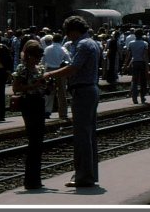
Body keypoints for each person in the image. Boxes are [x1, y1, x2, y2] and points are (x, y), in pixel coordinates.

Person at [44, 16, 100, 187]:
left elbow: (74, 68)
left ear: (74, 30)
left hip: (83, 90)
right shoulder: (93, 43)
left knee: (82, 135)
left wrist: (50, 74)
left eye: (68, 33)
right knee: (89, 135)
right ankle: (89, 174)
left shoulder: (83, 45)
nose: (68, 37)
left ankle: (83, 177)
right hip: (90, 89)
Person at [12, 40, 48, 190]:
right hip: (28, 103)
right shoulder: (22, 69)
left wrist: (46, 86)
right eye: (36, 56)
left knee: (39, 140)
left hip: (39, 102)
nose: (39, 59)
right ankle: (30, 180)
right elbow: (16, 88)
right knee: (34, 140)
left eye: (40, 56)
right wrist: (34, 85)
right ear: (28, 55)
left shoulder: (39, 68)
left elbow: (42, 87)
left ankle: (36, 178)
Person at [43, 33, 71, 119]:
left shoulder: (47, 49)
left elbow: (43, 61)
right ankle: (63, 113)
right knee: (62, 93)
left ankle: (47, 111)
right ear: (61, 40)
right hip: (60, 71)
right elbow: (69, 61)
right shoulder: (63, 49)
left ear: (52, 40)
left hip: (49, 71)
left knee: (49, 92)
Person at [123, 28, 150, 105]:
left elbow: (128, 56)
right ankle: (142, 97)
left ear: (135, 35)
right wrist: (147, 68)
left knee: (134, 80)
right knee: (143, 81)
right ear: (142, 35)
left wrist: (125, 64)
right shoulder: (144, 43)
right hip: (142, 63)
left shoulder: (131, 43)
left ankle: (134, 98)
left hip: (134, 62)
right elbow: (145, 56)